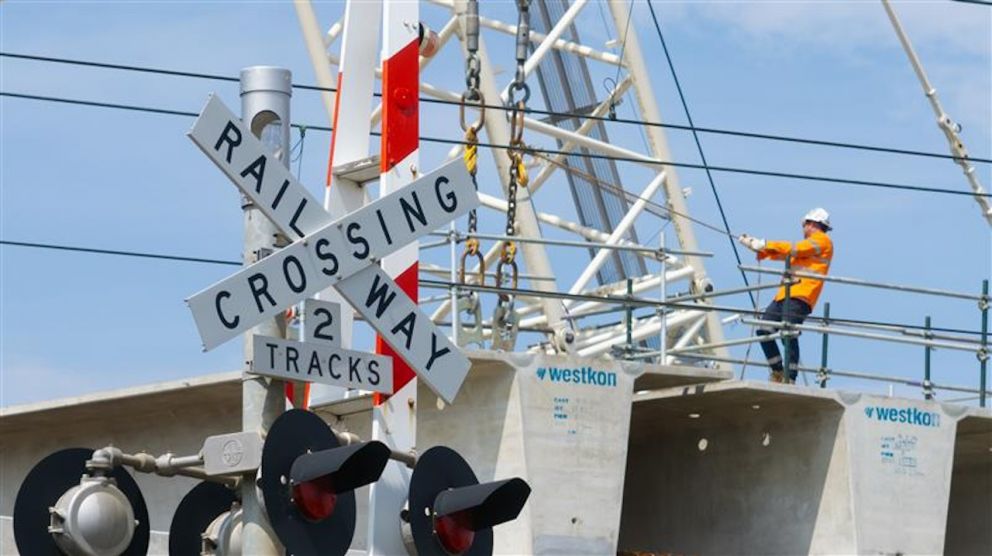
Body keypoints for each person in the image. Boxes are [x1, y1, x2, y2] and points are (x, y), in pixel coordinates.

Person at [738, 208, 834, 384]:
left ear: (812, 223)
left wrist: (764, 243)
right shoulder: (810, 247)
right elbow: (785, 253)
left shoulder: (822, 241)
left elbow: (793, 249)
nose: (803, 228)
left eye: (804, 224)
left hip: (802, 294)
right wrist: (758, 248)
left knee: (788, 332)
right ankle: (777, 371)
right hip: (785, 294)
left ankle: (790, 377)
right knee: (763, 328)